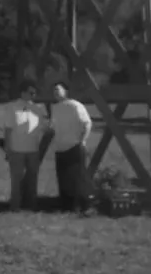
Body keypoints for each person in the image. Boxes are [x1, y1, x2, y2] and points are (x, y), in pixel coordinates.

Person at [0, 84, 50, 211]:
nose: (33, 96)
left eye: (35, 93)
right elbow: (8, 129)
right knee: (17, 178)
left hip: (33, 149)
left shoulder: (37, 109)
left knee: (32, 178)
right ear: (23, 93)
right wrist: (8, 148)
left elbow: (43, 127)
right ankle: (15, 205)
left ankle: (31, 205)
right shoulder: (12, 107)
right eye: (31, 93)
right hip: (17, 149)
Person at [49, 82, 92, 213]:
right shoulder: (55, 108)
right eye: (54, 90)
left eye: (58, 89)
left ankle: (84, 206)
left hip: (74, 146)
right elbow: (53, 127)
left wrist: (82, 141)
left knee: (78, 178)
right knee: (63, 179)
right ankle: (67, 207)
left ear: (66, 91)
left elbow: (87, 123)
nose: (56, 92)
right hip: (60, 148)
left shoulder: (75, 105)